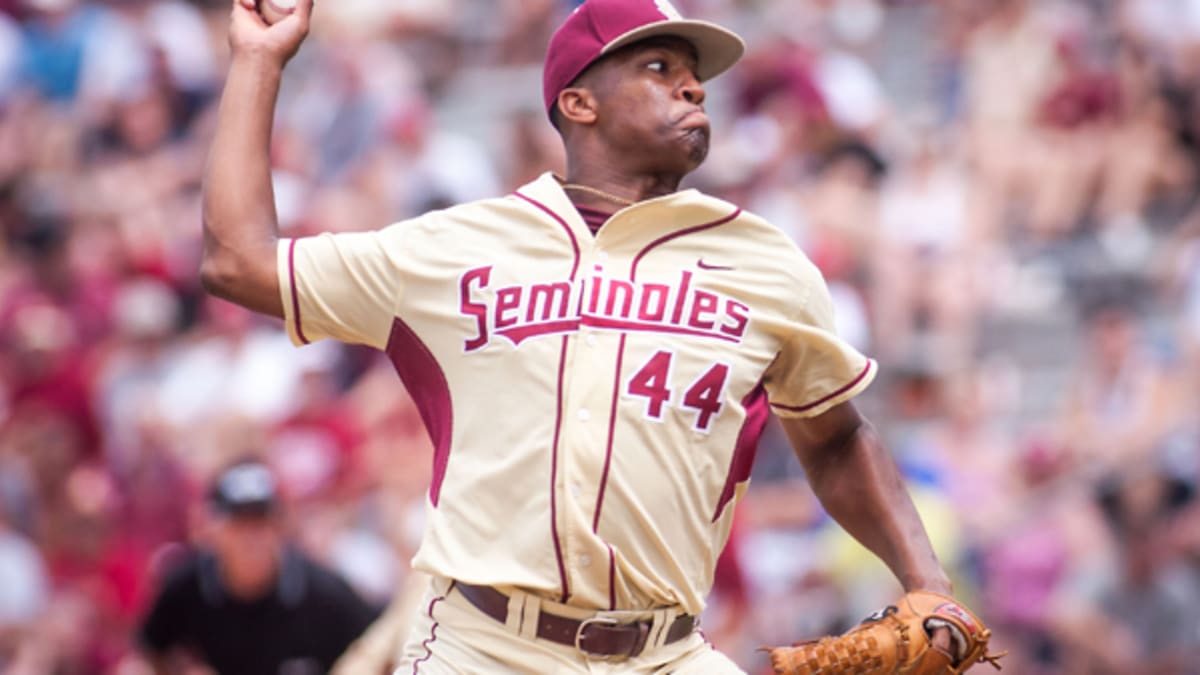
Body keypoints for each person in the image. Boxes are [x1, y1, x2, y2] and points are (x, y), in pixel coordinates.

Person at [199, 0, 960, 671]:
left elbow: (833, 439)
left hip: (668, 650)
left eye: (694, 75)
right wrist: (258, 60)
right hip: (487, 647)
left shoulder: (765, 261)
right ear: (579, 103)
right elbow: (238, 261)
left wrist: (929, 584)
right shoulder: (452, 247)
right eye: (659, 66)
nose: (692, 86)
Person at [136, 459, 379, 675]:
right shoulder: (186, 588)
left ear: (280, 528)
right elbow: (150, 649)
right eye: (239, 524)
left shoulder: (323, 593)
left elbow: (379, 645)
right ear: (212, 530)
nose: (252, 539)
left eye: (262, 523)